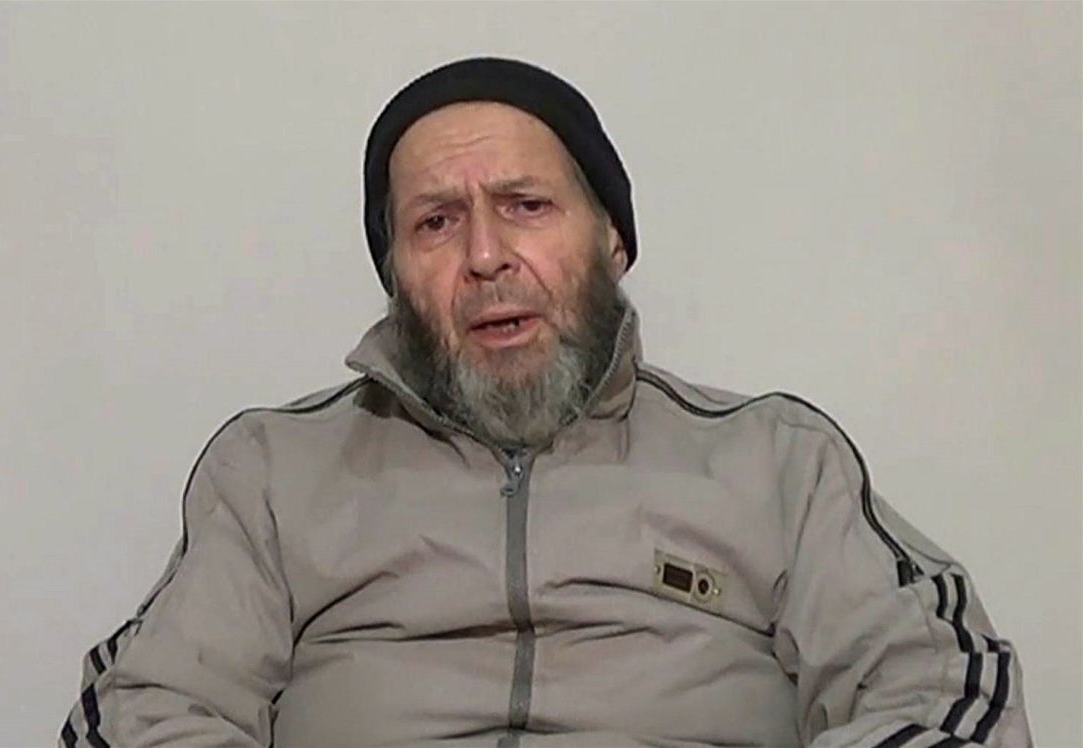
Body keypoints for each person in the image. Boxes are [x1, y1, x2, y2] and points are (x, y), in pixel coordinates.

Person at [60, 57, 1031, 748]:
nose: (486, 255)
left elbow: (941, 690)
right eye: (436, 222)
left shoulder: (777, 460)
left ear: (612, 240)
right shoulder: (274, 471)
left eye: (526, 206)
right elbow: (145, 710)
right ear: (396, 276)